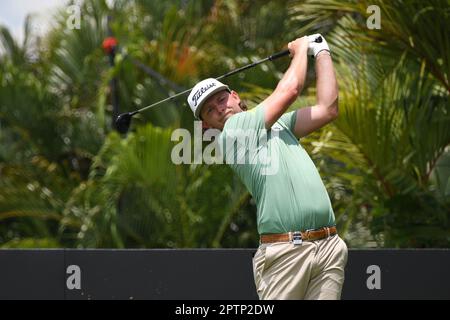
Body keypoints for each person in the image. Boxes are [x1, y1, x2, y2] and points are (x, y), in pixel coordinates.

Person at [187, 35, 348, 300]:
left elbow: (328, 109)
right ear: (206, 125)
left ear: (235, 97)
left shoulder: (282, 125)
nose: (219, 108)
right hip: (287, 252)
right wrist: (299, 51)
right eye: (209, 109)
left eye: (221, 98)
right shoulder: (232, 134)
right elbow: (289, 91)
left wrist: (321, 51)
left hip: (328, 245)